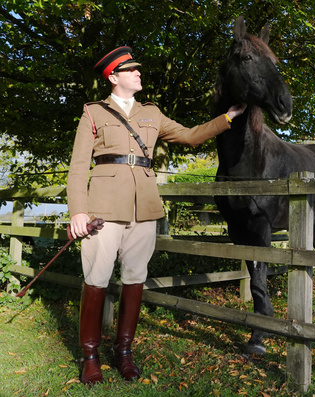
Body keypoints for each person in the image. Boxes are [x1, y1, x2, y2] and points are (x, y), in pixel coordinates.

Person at [66, 46, 245, 385]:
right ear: (114, 77)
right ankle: (90, 355)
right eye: (130, 69)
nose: (138, 73)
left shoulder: (153, 113)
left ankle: (124, 352)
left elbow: (191, 136)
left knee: (135, 279)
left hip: (145, 208)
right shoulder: (93, 113)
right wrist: (78, 211)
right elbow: (78, 167)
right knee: (96, 279)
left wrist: (228, 118)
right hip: (103, 209)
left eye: (137, 69)